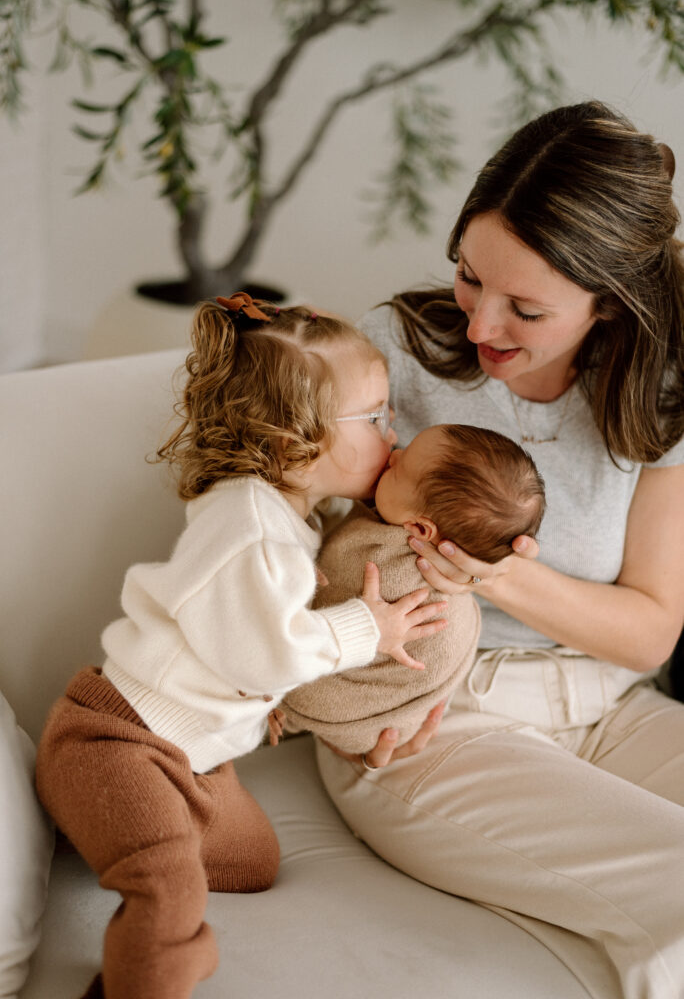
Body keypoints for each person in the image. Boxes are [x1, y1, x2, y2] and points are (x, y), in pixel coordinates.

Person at [314, 101, 684, 999]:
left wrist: (496, 571)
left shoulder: (655, 392)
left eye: (527, 308)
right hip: (434, 714)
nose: (481, 325)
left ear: (609, 303)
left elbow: (649, 630)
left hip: (610, 707)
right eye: (469, 277)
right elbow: (287, 528)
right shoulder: (397, 352)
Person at [34, 292, 448, 999]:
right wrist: (368, 628)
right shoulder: (250, 524)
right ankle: (149, 965)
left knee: (252, 862)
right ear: (295, 441)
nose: (393, 433)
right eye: (376, 418)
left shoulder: (293, 517)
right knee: (168, 888)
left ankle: (106, 823)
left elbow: (239, 645)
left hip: (191, 759)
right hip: (116, 740)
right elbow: (265, 653)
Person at [281, 423, 545, 753]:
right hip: (408, 718)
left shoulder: (379, 564)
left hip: (360, 713)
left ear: (419, 528)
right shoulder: (409, 521)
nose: (394, 455)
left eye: (399, 469)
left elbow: (318, 600)